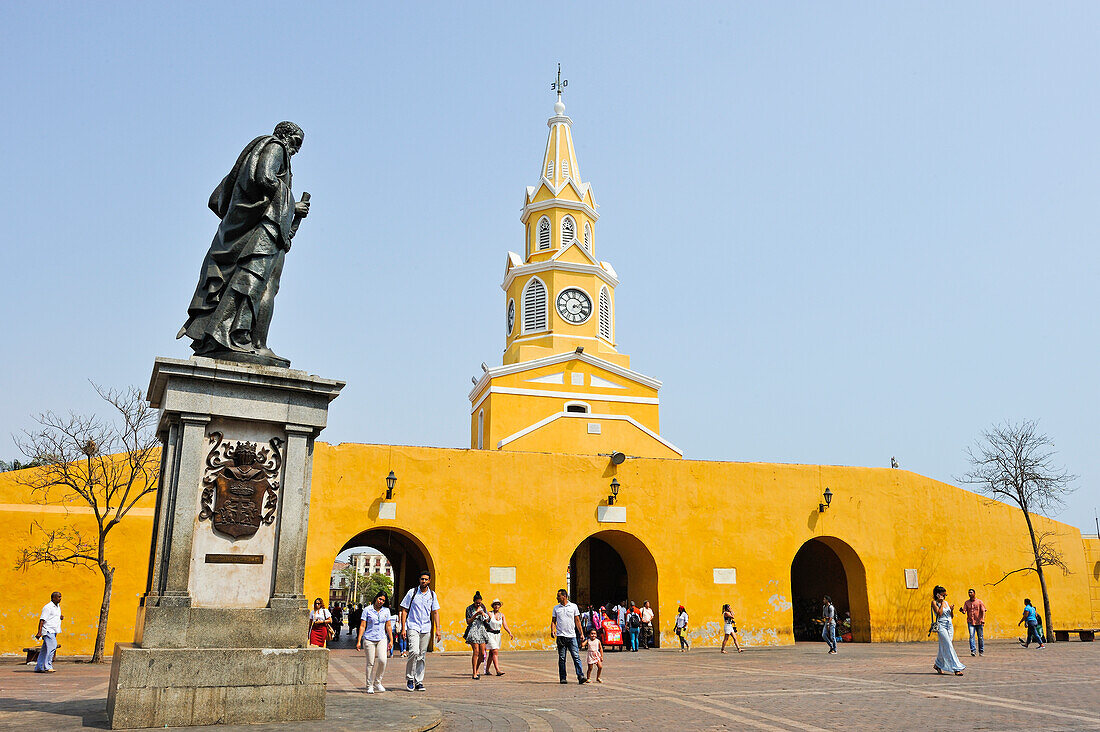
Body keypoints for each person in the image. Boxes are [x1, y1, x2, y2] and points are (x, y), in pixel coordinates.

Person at [178, 122, 310, 366]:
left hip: (265, 227)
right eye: (297, 141)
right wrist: (293, 204)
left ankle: (248, 340)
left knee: (265, 286)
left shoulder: (266, 150)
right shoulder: (275, 147)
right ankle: (236, 337)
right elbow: (265, 178)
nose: (297, 149)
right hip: (264, 229)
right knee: (251, 283)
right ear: (286, 135)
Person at [399, 570, 441, 692]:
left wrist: (438, 629)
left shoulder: (432, 595)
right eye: (422, 579)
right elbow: (404, 609)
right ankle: (410, 678)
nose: (424, 581)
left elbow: (435, 612)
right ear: (419, 580)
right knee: (413, 651)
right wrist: (403, 628)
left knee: (422, 655)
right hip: (413, 626)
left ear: (429, 581)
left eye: (426, 579)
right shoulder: (412, 593)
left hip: (426, 627)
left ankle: (419, 681)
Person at [356, 591, 393, 694]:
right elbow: (362, 626)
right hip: (369, 639)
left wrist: (391, 640)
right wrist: (359, 640)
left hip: (382, 638)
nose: (381, 601)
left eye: (383, 600)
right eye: (380, 599)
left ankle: (377, 681)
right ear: (376, 598)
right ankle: (369, 685)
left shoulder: (386, 611)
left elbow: (388, 626)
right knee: (370, 663)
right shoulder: (367, 610)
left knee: (383, 660)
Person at [550, 588, 587, 685]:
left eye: (558, 596)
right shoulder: (556, 608)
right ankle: (563, 677)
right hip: (561, 636)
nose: (557, 598)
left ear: (564, 596)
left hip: (571, 636)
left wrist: (581, 633)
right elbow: (553, 621)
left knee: (576, 656)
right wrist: (552, 630)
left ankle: (580, 676)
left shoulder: (573, 607)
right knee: (562, 658)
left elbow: (577, 621)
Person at [931, 586, 965, 675]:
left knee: (946, 645)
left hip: (949, 625)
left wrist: (952, 610)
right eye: (943, 594)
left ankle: (938, 664)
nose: (945, 596)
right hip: (941, 626)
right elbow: (939, 613)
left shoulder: (946, 602)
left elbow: (951, 616)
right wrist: (941, 603)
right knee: (949, 646)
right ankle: (956, 668)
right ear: (938, 594)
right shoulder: (934, 602)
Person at [483, 599, 514, 676]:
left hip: (497, 635)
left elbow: (505, 625)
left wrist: (509, 632)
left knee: (491, 653)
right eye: (495, 604)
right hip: (490, 634)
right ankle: (498, 670)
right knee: (495, 651)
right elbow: (484, 621)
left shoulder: (502, 615)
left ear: (500, 606)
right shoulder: (490, 614)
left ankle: (487, 670)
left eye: (498, 604)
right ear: (493, 606)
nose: (496, 606)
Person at [33, 591, 63, 673]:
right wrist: (39, 632)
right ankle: (48, 666)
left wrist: (60, 617)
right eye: (59, 597)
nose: (60, 598)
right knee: (52, 647)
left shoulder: (57, 607)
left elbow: (53, 617)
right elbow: (42, 620)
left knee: (45, 650)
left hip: (54, 630)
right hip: (48, 630)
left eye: (60, 597)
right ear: (53, 598)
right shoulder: (48, 607)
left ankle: (39, 667)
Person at [465, 591, 490, 680]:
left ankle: (477, 669)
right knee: (476, 651)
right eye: (477, 602)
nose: (478, 604)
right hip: (473, 630)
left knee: (482, 653)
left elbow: (487, 619)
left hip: (482, 630)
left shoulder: (483, 607)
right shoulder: (469, 608)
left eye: (479, 602)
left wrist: (484, 615)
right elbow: (468, 621)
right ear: (473, 601)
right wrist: (476, 614)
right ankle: (474, 672)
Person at [961, 588, 986, 657]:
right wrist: (962, 611)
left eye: (971, 592)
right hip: (970, 622)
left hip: (979, 622)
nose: (970, 594)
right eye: (969, 592)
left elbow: (983, 611)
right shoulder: (966, 602)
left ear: (974, 593)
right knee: (971, 636)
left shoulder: (979, 602)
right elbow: (964, 611)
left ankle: (981, 651)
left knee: (980, 637)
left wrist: (983, 619)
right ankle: (973, 651)